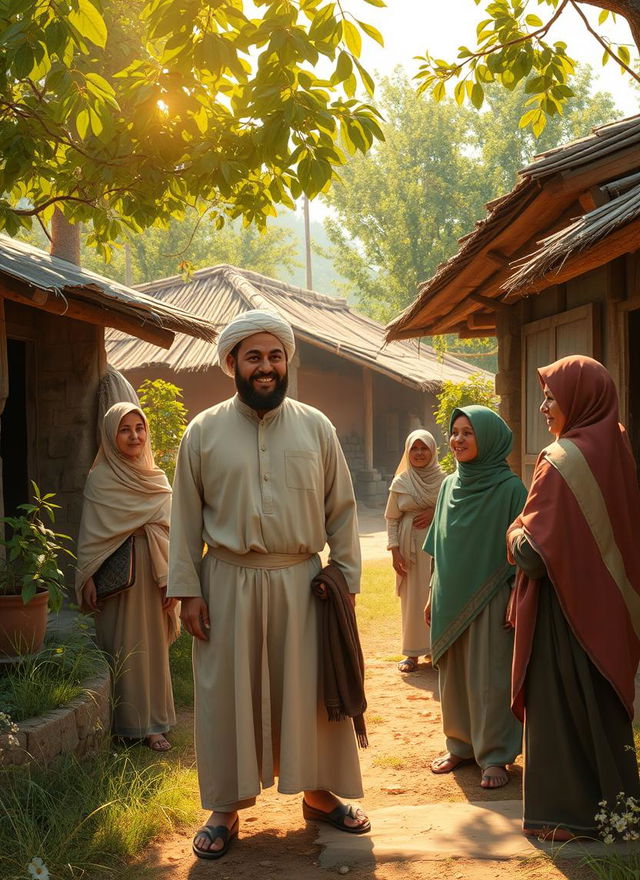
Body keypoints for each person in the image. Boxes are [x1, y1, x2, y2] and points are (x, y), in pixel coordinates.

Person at [167, 309, 370, 861]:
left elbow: (343, 511)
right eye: (253, 356)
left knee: (308, 693)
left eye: (275, 356)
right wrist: (187, 590)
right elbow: (184, 518)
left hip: (305, 586)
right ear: (232, 362)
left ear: (287, 361)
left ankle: (319, 794)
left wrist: (347, 579)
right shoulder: (202, 431)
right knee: (225, 694)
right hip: (227, 581)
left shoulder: (317, 427)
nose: (266, 367)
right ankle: (225, 807)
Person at [507, 355, 640, 841]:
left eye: (551, 397)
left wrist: (514, 531)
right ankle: (617, 810)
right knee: (602, 705)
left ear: (578, 400)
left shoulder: (559, 460)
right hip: (609, 607)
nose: (545, 407)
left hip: (564, 611)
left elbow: (534, 556)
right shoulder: (617, 443)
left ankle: (567, 817)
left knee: (561, 706)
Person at [425, 405, 526, 789]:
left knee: (489, 678)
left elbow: (523, 549)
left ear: (489, 438)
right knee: (453, 677)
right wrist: (431, 593)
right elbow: (439, 543)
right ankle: (460, 745)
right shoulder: (449, 485)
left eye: (468, 433)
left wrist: (516, 595)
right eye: (454, 432)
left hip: (492, 598)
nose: (457, 440)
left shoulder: (511, 489)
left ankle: (495, 755)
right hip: (448, 593)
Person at [76, 403, 179, 751]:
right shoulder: (101, 479)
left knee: (151, 650)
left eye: (139, 428)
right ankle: (120, 724)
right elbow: (91, 535)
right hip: (114, 580)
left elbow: (169, 531)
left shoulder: (157, 478)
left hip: (152, 575)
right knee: (119, 648)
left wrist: (171, 578)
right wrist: (87, 576)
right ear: (110, 435)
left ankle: (153, 726)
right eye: (124, 429)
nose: (134, 435)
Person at [385, 429, 444, 673]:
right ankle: (412, 654)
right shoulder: (401, 481)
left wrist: (435, 511)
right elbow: (391, 519)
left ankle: (437, 650)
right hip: (408, 550)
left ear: (433, 451)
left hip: (439, 548)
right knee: (412, 600)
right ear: (408, 452)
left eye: (424, 448)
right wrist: (394, 551)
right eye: (414, 449)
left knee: (439, 597)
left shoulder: (445, 480)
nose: (419, 453)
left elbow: (454, 510)